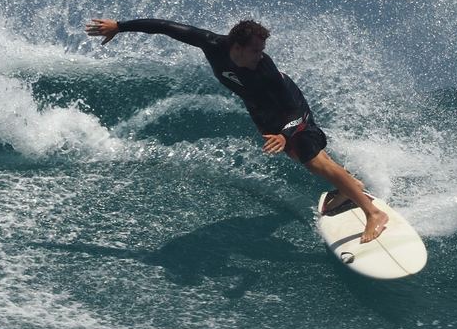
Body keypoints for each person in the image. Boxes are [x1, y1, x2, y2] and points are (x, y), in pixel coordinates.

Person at [81, 17, 389, 242]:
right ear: (236, 47)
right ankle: (347, 186)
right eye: (255, 51)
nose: (260, 56)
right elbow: (166, 27)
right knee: (302, 158)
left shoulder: (266, 70)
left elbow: (295, 112)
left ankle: (372, 213)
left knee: (311, 157)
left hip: (289, 108)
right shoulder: (212, 43)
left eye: (262, 50)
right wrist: (120, 27)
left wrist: (285, 134)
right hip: (262, 114)